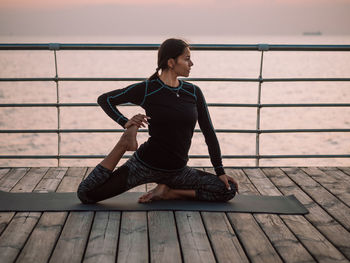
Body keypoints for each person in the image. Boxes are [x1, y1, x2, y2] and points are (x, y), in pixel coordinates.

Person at [77, 38, 239, 204]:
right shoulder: (148, 89)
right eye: (187, 58)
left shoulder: (193, 92)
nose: (192, 63)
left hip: (178, 172)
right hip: (143, 166)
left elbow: (209, 132)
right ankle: (123, 143)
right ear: (171, 62)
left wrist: (220, 171)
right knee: (87, 194)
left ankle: (168, 192)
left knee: (228, 190)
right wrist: (125, 122)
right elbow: (105, 100)